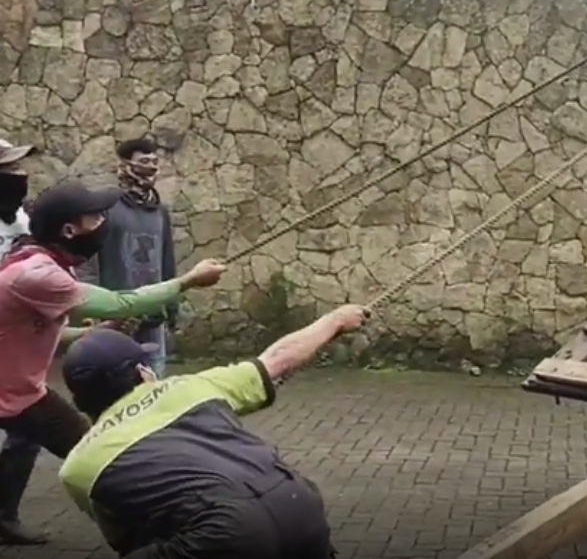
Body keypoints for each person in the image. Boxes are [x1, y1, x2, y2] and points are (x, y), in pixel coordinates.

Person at [0, 179, 227, 545]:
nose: (103, 222)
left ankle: (3, 520)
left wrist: (90, 333)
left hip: (16, 388)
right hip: (14, 392)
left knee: (25, 442)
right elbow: (121, 302)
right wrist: (187, 281)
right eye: (94, 217)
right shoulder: (37, 274)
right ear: (69, 230)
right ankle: (159, 528)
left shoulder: (46, 262)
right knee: (96, 451)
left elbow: (41, 330)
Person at [59, 303, 370, 559]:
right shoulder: (193, 385)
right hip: (297, 502)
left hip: (223, 534)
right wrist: (336, 319)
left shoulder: (78, 466)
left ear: (80, 400)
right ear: (143, 372)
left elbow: (124, 536)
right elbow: (279, 358)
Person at [89, 137, 178, 377]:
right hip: (116, 316)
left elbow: (167, 261)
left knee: (155, 382)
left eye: (154, 162)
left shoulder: (160, 212)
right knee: (117, 381)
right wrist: (93, 310)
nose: (151, 167)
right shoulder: (106, 208)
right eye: (143, 161)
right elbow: (89, 260)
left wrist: (172, 306)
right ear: (125, 164)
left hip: (153, 314)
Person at [0, 138, 45, 544]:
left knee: (26, 431)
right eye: (8, 168)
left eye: (18, 167)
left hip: (14, 345)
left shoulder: (20, 220)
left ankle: (5, 516)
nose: (19, 175)